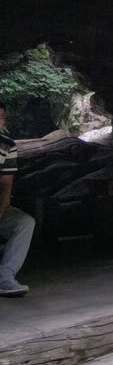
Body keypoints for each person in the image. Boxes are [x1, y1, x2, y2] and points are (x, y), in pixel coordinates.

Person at [0, 104, 35, 297]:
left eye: (2, 116)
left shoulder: (7, 145)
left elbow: (6, 184)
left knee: (24, 223)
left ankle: (4, 277)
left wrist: (1, 210)